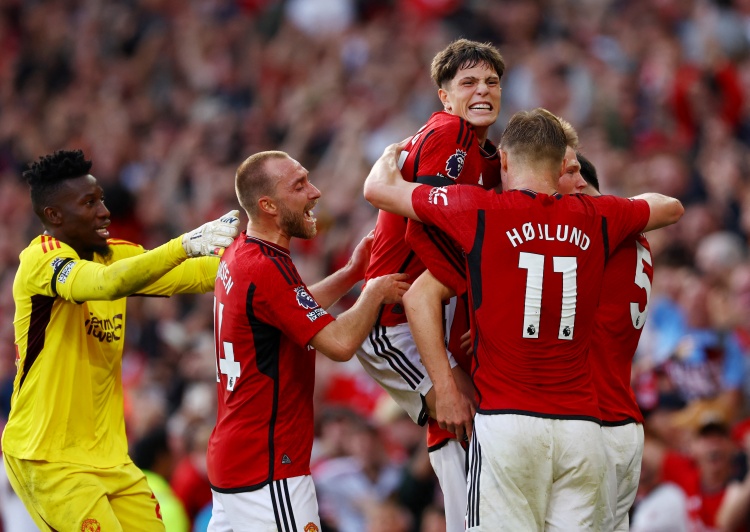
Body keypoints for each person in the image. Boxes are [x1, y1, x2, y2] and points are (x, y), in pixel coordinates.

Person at [364, 108, 684, 530]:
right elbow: (670, 207)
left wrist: (391, 154)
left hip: (509, 420)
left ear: (505, 160)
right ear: (562, 167)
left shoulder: (482, 209)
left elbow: (381, 191)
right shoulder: (600, 217)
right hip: (585, 426)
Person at [1, 149, 240, 531]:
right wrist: (183, 244)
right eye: (89, 203)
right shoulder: (40, 261)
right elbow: (105, 285)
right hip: (49, 457)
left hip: (110, 459)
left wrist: (262, 253)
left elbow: (198, 274)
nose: (104, 212)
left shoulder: (115, 256)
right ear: (54, 215)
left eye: (101, 200)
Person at [206, 150, 409, 531]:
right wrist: (373, 293)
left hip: (235, 458)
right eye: (299, 186)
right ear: (268, 205)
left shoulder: (243, 253)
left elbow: (290, 309)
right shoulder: (266, 268)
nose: (314, 192)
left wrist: (351, 273)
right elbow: (339, 344)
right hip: (268, 467)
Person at [356, 38, 505, 532]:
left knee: (470, 422)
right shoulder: (450, 132)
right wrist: (473, 292)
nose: (482, 90)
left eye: (491, 82)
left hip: (425, 312)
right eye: (468, 82)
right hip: (393, 320)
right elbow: (426, 227)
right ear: (444, 96)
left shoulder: (483, 154)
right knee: (458, 412)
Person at [575, 152, 652, 531]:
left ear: (575, 179)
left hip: (598, 420)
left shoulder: (597, 226)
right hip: (622, 418)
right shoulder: (630, 230)